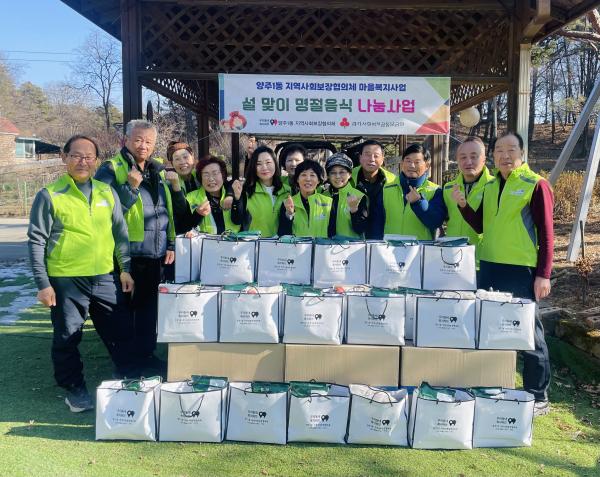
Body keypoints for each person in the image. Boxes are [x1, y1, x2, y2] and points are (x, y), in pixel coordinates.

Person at [28, 135, 135, 412]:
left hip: (104, 276)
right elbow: (37, 240)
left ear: (96, 161)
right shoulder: (49, 195)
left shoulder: (106, 192)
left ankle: (126, 378)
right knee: (67, 336)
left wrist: (125, 270)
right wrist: (43, 284)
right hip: (66, 279)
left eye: (88, 157)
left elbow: (120, 234)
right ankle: (74, 389)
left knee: (120, 330)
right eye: (76, 155)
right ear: (64, 157)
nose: (82, 161)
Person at [450, 131, 553, 416]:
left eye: (511, 150)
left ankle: (538, 394)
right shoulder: (492, 186)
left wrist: (543, 274)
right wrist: (462, 204)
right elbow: (480, 224)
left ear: (522, 152)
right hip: (490, 267)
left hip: (521, 269)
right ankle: (491, 384)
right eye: (499, 150)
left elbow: (547, 234)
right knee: (489, 329)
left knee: (529, 333)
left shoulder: (536, 185)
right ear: (493, 155)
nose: (505, 156)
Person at [95, 119, 175, 375]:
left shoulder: (157, 171)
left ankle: (146, 356)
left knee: (148, 311)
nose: (143, 146)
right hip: (128, 254)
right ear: (126, 140)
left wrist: (170, 242)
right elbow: (104, 210)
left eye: (149, 142)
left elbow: (166, 211)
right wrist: (130, 187)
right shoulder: (111, 169)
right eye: (138, 140)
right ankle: (127, 364)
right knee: (125, 312)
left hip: (156, 253)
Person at [442, 136, 493, 263]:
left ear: (484, 160)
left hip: (482, 260)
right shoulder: (448, 188)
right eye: (463, 157)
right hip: (451, 259)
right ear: (457, 160)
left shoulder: (495, 186)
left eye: (474, 156)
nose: (468, 161)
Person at [382, 143, 445, 239]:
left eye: (417, 162)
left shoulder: (435, 190)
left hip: (419, 251)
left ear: (427, 165)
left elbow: (435, 222)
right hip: (389, 249)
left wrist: (418, 203)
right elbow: (377, 222)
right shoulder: (386, 188)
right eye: (408, 161)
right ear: (402, 163)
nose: (411, 165)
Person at [237, 145, 290, 236]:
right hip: (252, 245)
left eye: (268, 162)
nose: (264, 167)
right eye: (258, 164)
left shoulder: (286, 191)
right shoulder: (246, 191)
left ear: (275, 164)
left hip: (279, 245)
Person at [350, 140, 396, 239]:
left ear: (383, 159)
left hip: (384, 242)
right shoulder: (347, 179)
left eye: (376, 156)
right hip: (351, 242)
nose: (371, 159)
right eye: (367, 154)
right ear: (360, 157)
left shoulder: (393, 181)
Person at [185, 156, 243, 234]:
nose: (211, 179)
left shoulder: (234, 193)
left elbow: (239, 220)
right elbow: (184, 226)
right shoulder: (190, 197)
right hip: (205, 244)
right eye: (206, 175)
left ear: (223, 175)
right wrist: (198, 214)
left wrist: (236, 200)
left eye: (215, 173)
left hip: (233, 244)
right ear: (200, 177)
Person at [278, 160, 333, 238]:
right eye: (303, 175)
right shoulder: (288, 203)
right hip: (295, 249)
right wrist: (289, 214)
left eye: (312, 175)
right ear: (297, 179)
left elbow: (333, 233)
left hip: (321, 249)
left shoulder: (329, 202)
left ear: (318, 180)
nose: (308, 179)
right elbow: (283, 234)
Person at [323, 152, 368, 238]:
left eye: (342, 172)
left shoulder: (359, 196)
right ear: (328, 176)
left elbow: (361, 229)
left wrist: (354, 210)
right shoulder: (322, 196)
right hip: (322, 246)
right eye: (333, 173)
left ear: (350, 174)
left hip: (349, 249)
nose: (337, 176)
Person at [164, 141, 200, 235]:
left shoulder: (201, 178)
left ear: (193, 157)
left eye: (185, 157)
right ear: (172, 163)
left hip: (203, 234)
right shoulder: (168, 183)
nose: (182, 162)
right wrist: (176, 186)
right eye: (177, 159)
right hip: (179, 236)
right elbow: (181, 213)